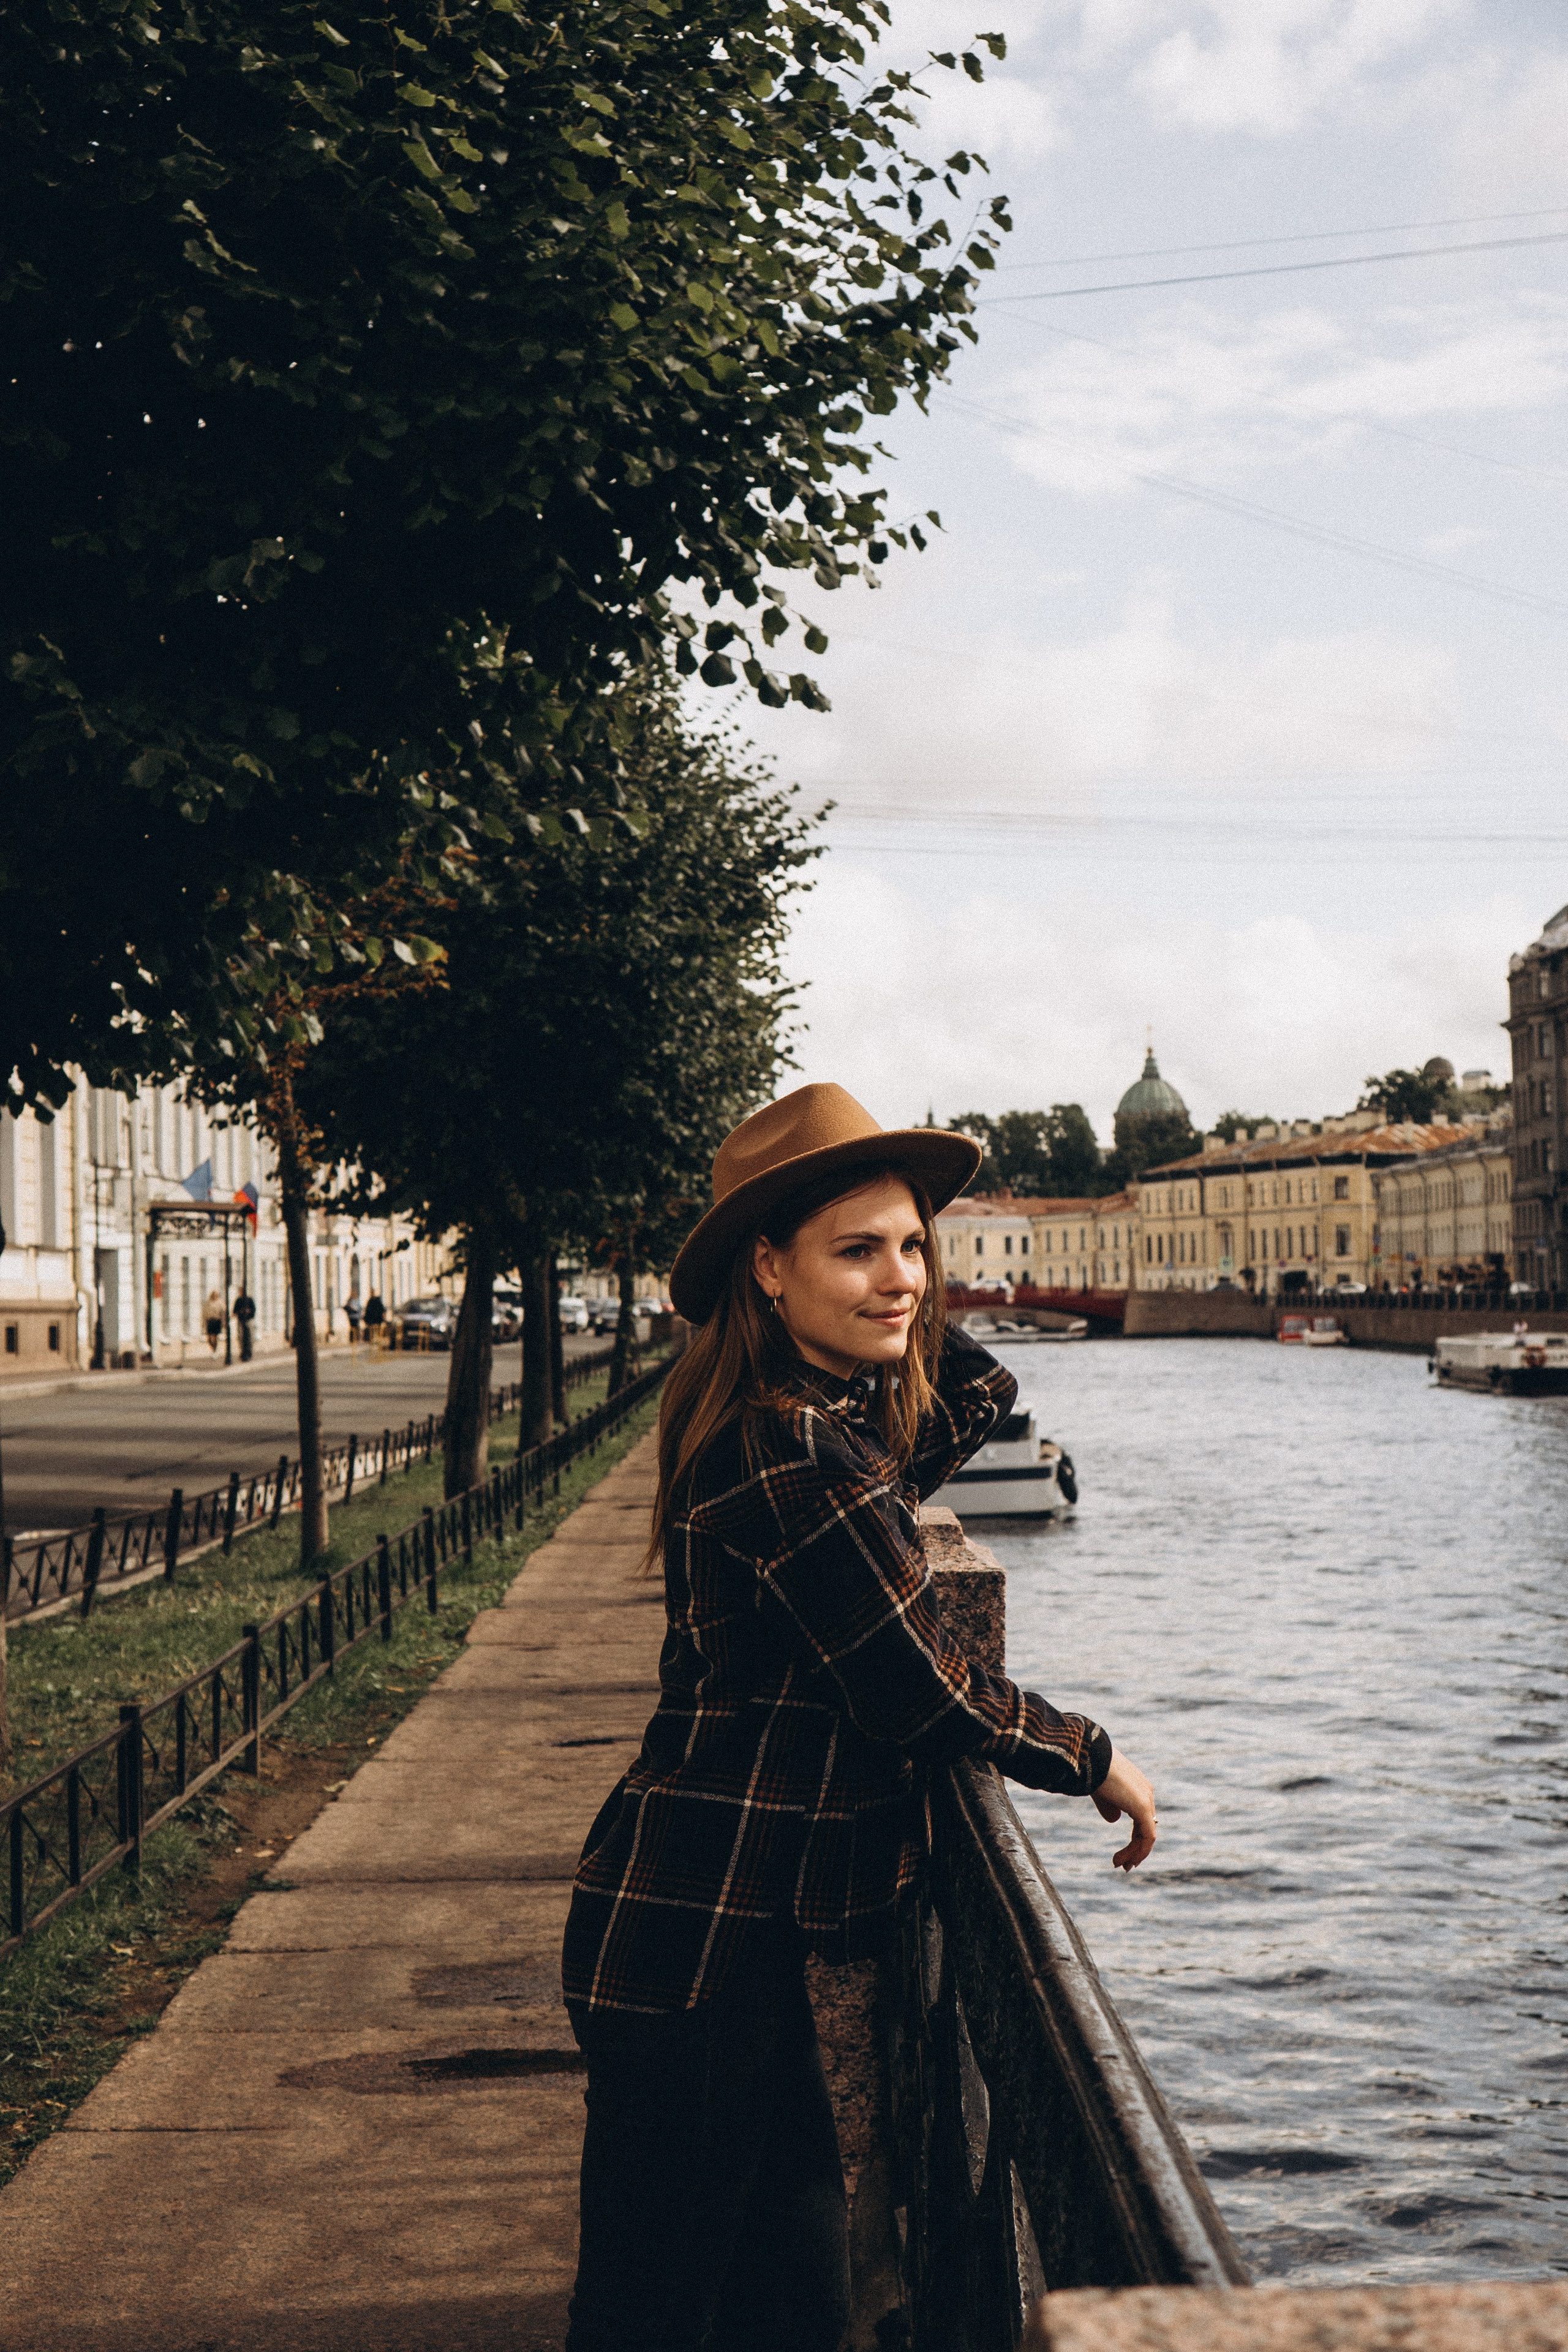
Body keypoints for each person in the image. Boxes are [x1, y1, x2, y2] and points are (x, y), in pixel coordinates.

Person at [561, 1084, 1156, 2352]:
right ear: (767, 1270)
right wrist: (1090, 1755)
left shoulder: (814, 1433)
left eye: (914, 1244)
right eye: (857, 1249)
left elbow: (953, 1410)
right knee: (659, 2312)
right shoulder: (791, 1453)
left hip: (721, 1932)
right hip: (696, 1947)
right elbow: (923, 1690)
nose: (901, 1278)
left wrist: (909, 1315)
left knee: (786, 2303)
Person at [232, 1287, 256, 1363]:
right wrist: (240, 1312)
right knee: (241, 1337)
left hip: (249, 1320)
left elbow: (254, 1310)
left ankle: (249, 1352)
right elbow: (235, 1311)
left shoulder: (250, 1300)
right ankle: (243, 1352)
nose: (241, 1293)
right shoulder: (238, 1301)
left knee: (250, 1337)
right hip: (241, 1321)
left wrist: (249, 1312)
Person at [203, 1287, 226, 1354]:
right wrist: (204, 1322)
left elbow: (223, 1312)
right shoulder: (208, 1303)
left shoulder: (220, 1302)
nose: (215, 1296)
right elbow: (205, 1312)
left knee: (215, 1337)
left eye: (216, 1295)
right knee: (209, 1338)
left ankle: (215, 1351)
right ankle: (213, 1348)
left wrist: (223, 1322)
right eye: (214, 1295)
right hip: (210, 1321)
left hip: (217, 1321)